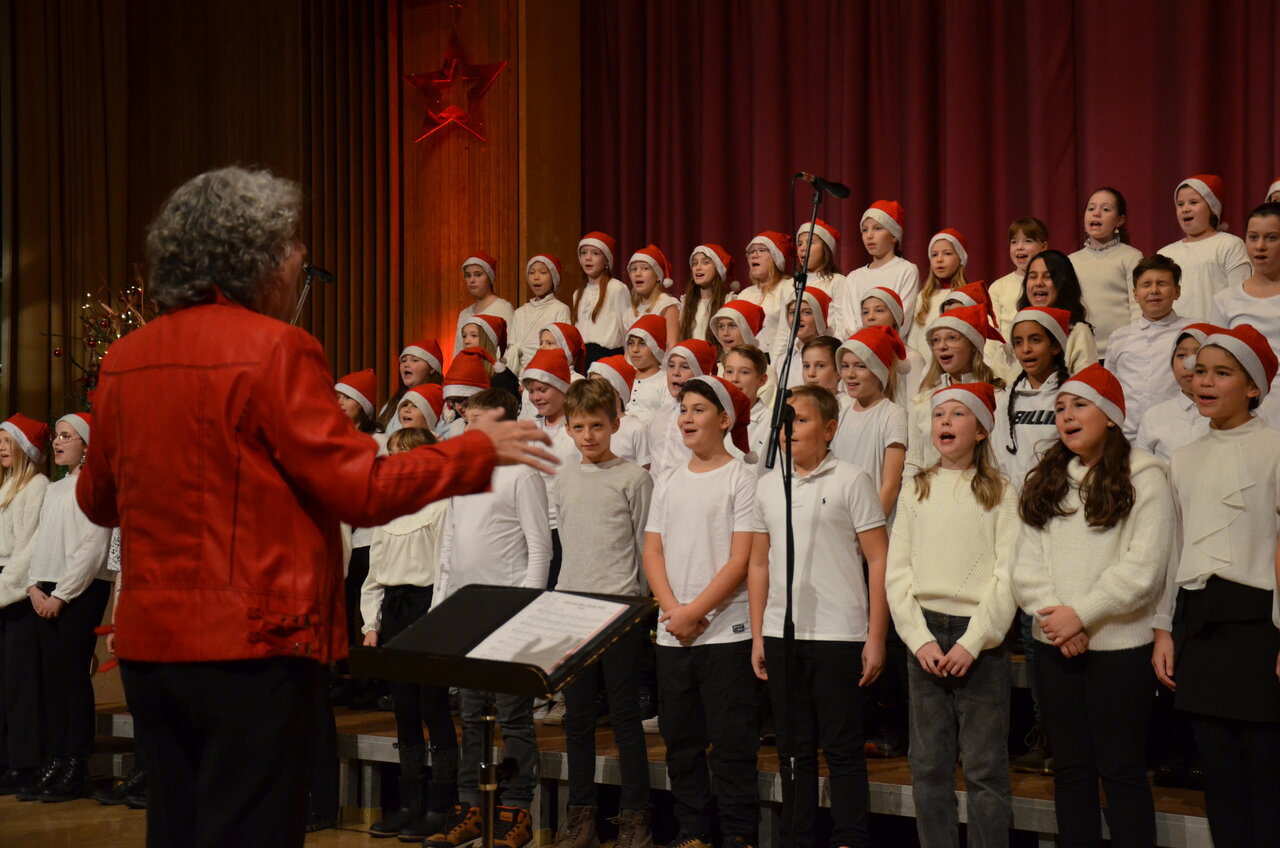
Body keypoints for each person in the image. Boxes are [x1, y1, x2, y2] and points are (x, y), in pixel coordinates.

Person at [74, 166, 557, 848]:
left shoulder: (124, 358)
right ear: (253, 258)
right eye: (292, 246)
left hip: (153, 648)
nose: (301, 262)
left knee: (177, 830)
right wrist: (473, 451)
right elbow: (361, 487)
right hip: (253, 644)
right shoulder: (276, 349)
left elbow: (97, 501)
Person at [1013, 364, 1174, 848]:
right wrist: (1056, 616)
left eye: (1079, 405)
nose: (1066, 415)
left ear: (1110, 416)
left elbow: (1143, 570)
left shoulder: (1145, 478)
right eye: (1060, 408)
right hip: (1054, 645)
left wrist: (1079, 614)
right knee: (1071, 771)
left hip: (1119, 650)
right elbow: (1025, 564)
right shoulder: (1046, 479)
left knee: (1121, 771)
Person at [1152, 325, 1280, 848]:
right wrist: (1164, 628)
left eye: (1222, 373)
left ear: (1253, 387)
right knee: (1218, 775)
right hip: (1199, 623)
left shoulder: (1275, 448)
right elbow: (1176, 549)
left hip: (1260, 623)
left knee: (1266, 773)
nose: (1203, 381)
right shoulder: (1184, 457)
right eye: (1199, 370)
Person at [748, 385, 888, 848]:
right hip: (782, 631)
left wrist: (875, 636)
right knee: (793, 751)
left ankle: (851, 838)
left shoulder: (852, 479)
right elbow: (759, 563)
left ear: (829, 429)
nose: (790, 430)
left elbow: (878, 559)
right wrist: (758, 635)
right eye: (785, 422)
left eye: (801, 420)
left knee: (844, 749)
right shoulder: (767, 486)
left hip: (839, 632)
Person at [885, 381, 1018, 848]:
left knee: (983, 766)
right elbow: (897, 571)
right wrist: (918, 638)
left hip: (976, 639)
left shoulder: (1001, 491)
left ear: (981, 430)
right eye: (940, 414)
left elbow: (1008, 574)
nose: (945, 422)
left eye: (958, 415)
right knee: (928, 764)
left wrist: (973, 640)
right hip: (924, 632)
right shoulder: (916, 488)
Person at [428, 388, 552, 848]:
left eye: (477, 420)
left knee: (513, 716)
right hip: (467, 613)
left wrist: (524, 611)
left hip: (508, 613)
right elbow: (450, 546)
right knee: (472, 714)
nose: (467, 426)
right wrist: (441, 605)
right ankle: (469, 807)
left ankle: (516, 809)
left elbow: (540, 547)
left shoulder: (522, 474)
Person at [643, 375, 759, 848]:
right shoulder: (669, 479)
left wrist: (697, 611)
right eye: (683, 409)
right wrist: (675, 611)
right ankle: (692, 831)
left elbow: (741, 558)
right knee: (682, 745)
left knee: (732, 746)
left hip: (725, 631)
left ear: (725, 419)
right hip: (675, 631)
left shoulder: (743, 479)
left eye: (699, 409)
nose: (687, 418)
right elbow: (653, 551)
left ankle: (737, 835)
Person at [550, 379, 655, 848]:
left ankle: (635, 817)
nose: (588, 435)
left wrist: (643, 605)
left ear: (615, 424)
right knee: (576, 720)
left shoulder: (634, 478)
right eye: (579, 427)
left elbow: (644, 548)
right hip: (572, 608)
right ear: (568, 429)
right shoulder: (565, 477)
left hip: (620, 609)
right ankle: (582, 817)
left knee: (625, 719)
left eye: (597, 425)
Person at [360, 425, 460, 841]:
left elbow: (444, 569)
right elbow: (374, 577)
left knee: (433, 708)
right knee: (403, 709)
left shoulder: (440, 506)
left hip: (428, 609)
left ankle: (441, 804)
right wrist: (371, 625)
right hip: (396, 613)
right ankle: (408, 803)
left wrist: (434, 623)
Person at [22, 414, 113, 803]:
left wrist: (62, 594)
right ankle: (56, 757)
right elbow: (38, 543)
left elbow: (92, 548)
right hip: (45, 586)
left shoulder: (95, 487)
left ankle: (77, 762)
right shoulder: (55, 490)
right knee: (52, 677)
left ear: (87, 445)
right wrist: (32, 587)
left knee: (73, 675)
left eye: (66, 437)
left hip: (81, 588)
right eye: (56, 437)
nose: (57, 443)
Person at [0, 414, 49, 796]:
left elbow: (29, 549)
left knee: (19, 685)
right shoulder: (5, 488)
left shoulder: (38, 486)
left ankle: (24, 764)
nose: (1, 446)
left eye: (8, 440)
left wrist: (2, 591)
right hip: (3, 587)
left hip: (14, 595)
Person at [906, 304, 1006, 474]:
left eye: (952, 338)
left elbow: (1002, 461)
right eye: (936, 340)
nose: (942, 346)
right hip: (931, 494)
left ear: (973, 344)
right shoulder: (922, 401)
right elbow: (913, 463)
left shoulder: (998, 398)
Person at [1105, 254, 1193, 440]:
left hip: (1177, 434)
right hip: (1126, 437)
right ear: (1135, 294)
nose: (1154, 290)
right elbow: (1110, 391)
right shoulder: (1119, 337)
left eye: (1162, 283)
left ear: (1177, 291)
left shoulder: (1193, 333)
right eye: (1146, 285)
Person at [520, 349, 582, 590]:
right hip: (532, 525)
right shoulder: (527, 429)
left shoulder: (576, 429)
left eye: (542, 390)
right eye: (532, 391)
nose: (536, 397)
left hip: (564, 526)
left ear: (562, 389)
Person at [834, 327, 910, 519]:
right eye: (845, 366)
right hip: (840, 518)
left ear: (878, 371)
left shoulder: (893, 415)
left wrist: (869, 529)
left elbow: (890, 486)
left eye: (860, 366)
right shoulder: (841, 410)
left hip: (872, 521)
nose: (850, 374)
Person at [995, 307, 1072, 488]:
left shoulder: (1072, 396)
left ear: (1054, 346)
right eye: (1018, 342)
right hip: (1013, 499)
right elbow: (997, 455)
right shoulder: (1008, 399)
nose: (1026, 349)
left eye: (1035, 340)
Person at [1157, 175, 1251, 321]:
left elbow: (1240, 298)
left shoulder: (1229, 245)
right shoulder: (1165, 253)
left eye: (1193, 202)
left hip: (1215, 336)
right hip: (1172, 337)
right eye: (1180, 204)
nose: (1185, 209)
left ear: (1212, 209)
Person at [1210, 202, 1280, 395]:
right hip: (1244, 404)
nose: (1260, 246)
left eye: (1271, 238)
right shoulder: (1225, 299)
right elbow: (1218, 360)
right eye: (1253, 237)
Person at [1068, 188, 1144, 361]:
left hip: (1120, 352)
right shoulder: (1071, 261)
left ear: (1119, 220)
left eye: (1106, 209)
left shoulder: (1131, 256)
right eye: (1091, 208)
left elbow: (1137, 305)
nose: (1096, 213)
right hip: (1082, 354)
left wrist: (1133, 344)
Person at [1133, 325, 1217, 463]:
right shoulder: (1153, 417)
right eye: (1181, 355)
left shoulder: (1232, 415)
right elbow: (1142, 471)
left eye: (1198, 354)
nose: (1188, 364)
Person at [840, 201, 920, 341]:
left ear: (894, 235)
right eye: (865, 230)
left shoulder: (906, 270)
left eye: (877, 228)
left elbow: (903, 319)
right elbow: (848, 324)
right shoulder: (854, 277)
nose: (869, 235)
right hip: (858, 351)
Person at [645, 340, 718, 481]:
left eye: (685, 367)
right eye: (671, 366)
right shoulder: (659, 416)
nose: (675, 373)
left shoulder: (707, 419)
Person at [1016, 249, 1098, 373]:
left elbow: (1086, 384)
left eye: (1047, 277)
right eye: (1032, 277)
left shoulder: (1078, 332)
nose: (1038, 283)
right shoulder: (1019, 328)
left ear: (1063, 283)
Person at [775, 220, 846, 348]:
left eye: (810, 243)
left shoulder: (837, 281)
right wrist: (777, 365)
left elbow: (841, 326)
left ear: (825, 249)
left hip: (825, 351)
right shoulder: (790, 285)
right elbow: (783, 331)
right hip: (796, 354)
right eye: (800, 243)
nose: (802, 248)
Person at [908, 229, 973, 359]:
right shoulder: (924, 297)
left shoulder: (969, 297)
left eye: (947, 254)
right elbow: (914, 340)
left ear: (960, 258)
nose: (939, 259)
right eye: (934, 255)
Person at [573, 232, 632, 368]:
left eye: (595, 253)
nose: (588, 258)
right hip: (583, 360)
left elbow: (626, 330)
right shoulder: (578, 294)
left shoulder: (616, 288)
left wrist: (628, 364)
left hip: (608, 358)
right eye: (583, 253)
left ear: (607, 260)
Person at [507, 254, 570, 374]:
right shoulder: (519, 313)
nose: (536, 277)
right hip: (517, 375)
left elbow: (562, 349)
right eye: (531, 273)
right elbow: (511, 347)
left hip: (545, 373)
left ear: (553, 277)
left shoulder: (560, 309)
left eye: (543, 272)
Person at [859, 286, 926, 400]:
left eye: (879, 310)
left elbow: (916, 406)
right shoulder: (858, 356)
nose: (870, 317)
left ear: (895, 317)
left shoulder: (911, 358)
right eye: (865, 312)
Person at [586, 355, 651, 469]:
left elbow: (645, 470)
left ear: (619, 390)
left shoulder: (636, 428)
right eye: (592, 384)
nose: (595, 390)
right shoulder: (589, 426)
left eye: (601, 384)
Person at [990, 218, 1050, 339]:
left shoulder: (1051, 283)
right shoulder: (998, 287)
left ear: (1043, 247)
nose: (1019, 247)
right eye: (1014, 242)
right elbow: (992, 332)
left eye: (1028, 241)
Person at [737, 231, 793, 353]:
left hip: (778, 358)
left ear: (775, 257)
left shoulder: (789, 287)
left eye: (761, 250)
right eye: (751, 252)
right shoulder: (744, 295)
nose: (754, 255)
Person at [721, 345, 772, 474]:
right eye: (729, 371)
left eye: (744, 372)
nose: (734, 379)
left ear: (761, 380)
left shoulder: (771, 423)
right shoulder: (713, 418)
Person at [453, 252, 515, 354]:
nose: (472, 280)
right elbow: (458, 351)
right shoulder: (464, 314)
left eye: (478, 275)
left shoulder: (503, 308)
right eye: (468, 276)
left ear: (489, 278)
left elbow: (509, 349)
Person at [380, 338, 443, 434]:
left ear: (431, 369)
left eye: (415, 360)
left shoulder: (444, 406)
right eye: (403, 360)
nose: (406, 364)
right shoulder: (390, 406)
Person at [627, 244, 680, 348]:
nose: (638, 274)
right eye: (634, 269)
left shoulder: (666, 306)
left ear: (658, 276)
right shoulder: (629, 312)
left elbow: (671, 345)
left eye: (645, 268)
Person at [681, 244, 734, 345]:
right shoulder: (686, 304)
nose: (698, 267)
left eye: (705, 262)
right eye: (695, 263)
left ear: (718, 268)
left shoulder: (729, 302)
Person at [779, 289, 832, 389]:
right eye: (792, 312)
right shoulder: (783, 359)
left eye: (807, 312)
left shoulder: (830, 354)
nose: (798, 318)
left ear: (819, 317)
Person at [459, 314, 520, 397]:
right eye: (464, 336)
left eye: (474, 336)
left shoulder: (502, 379)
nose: (466, 341)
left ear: (488, 341)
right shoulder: (463, 375)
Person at [624, 314, 669, 425]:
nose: (635, 349)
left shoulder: (665, 380)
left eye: (643, 343)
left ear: (656, 347)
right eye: (631, 343)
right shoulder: (625, 376)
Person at [335, 368, 382, 436]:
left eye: (348, 397)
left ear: (361, 404)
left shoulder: (377, 438)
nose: (339, 402)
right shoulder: (329, 433)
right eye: (337, 397)